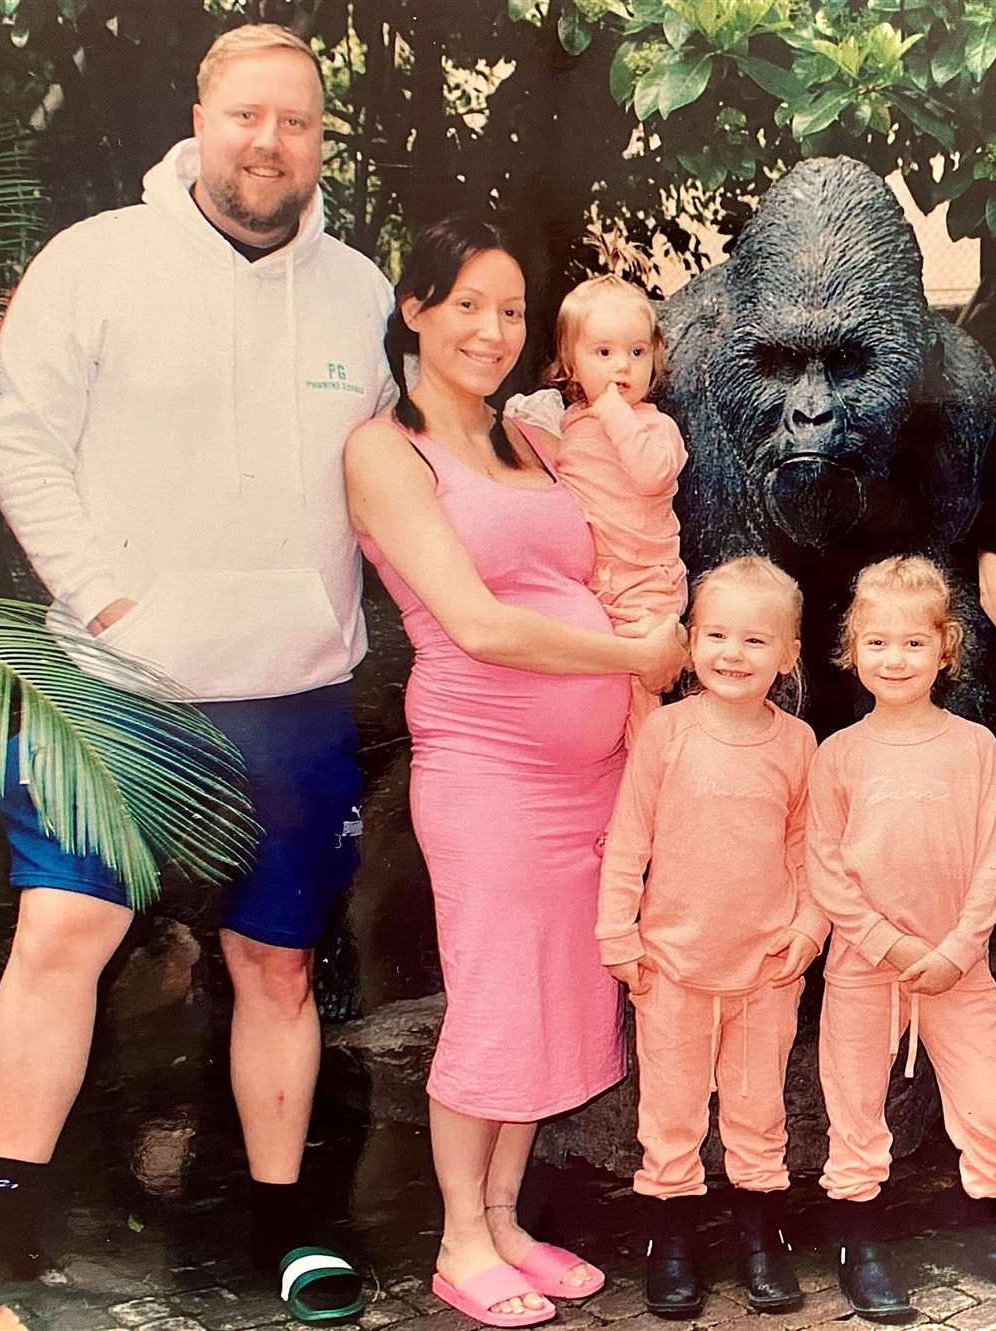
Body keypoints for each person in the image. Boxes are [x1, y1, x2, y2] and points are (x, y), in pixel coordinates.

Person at [0, 23, 394, 1320]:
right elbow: (20, 439)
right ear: (201, 113)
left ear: (323, 138)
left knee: (276, 964)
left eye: (300, 122)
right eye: (248, 114)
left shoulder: (362, 292)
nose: (272, 143)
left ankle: (286, 1228)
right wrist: (107, 597)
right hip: (115, 684)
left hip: (291, 692)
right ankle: (3, 1225)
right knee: (61, 934)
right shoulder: (94, 263)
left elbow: (405, 466)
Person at [344, 214, 687, 1329]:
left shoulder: (537, 439)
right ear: (416, 312)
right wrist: (636, 653)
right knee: (494, 1001)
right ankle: (455, 1243)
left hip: (591, 777)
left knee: (553, 996)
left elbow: (619, 535)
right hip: (487, 768)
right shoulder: (383, 449)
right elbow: (482, 623)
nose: (491, 330)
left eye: (508, 310)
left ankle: (504, 1221)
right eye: (466, 305)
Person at [596, 555, 827, 1319]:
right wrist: (619, 935)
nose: (733, 652)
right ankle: (672, 1244)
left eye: (756, 640)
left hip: (765, 968)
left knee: (758, 1109)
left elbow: (808, 849)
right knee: (671, 1110)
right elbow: (629, 840)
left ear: (788, 656)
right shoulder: (665, 733)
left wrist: (807, 927)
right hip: (670, 965)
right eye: (717, 634)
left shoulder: (798, 745)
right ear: (691, 642)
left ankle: (762, 1239)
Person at [806, 555, 996, 1320]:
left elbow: (994, 856)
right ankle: (860, 1240)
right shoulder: (840, 755)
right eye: (878, 642)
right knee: (855, 1104)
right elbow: (825, 869)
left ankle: (984, 1224)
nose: (895, 658)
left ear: (946, 649)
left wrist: (957, 946)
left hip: (960, 967)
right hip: (866, 966)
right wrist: (887, 943)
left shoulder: (976, 747)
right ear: (852, 651)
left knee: (989, 1103)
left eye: (914, 643)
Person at [510, 274, 687, 746]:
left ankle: (648, 794)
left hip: (644, 587)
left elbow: (652, 475)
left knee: (641, 702)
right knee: (595, 690)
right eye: (603, 353)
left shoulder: (655, 427)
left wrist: (614, 413)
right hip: (591, 587)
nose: (622, 367)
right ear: (571, 363)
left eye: (636, 352)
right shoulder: (569, 424)